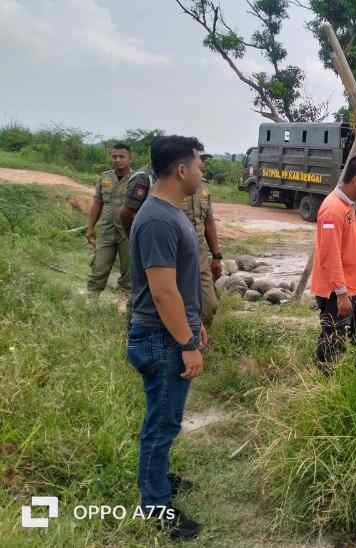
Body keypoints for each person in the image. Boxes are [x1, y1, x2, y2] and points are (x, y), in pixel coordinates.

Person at [126, 135, 207, 540]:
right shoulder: (158, 219)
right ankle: (155, 505)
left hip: (169, 333)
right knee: (162, 423)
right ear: (181, 169)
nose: (202, 172)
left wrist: (195, 323)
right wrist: (187, 344)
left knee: (164, 417)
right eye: (199, 164)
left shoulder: (169, 212)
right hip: (161, 339)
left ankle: (157, 479)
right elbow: (162, 292)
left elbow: (180, 284)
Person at [121, 153, 223, 326]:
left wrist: (216, 255)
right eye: (198, 162)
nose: (202, 165)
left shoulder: (203, 187)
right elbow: (127, 213)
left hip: (197, 254)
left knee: (207, 305)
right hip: (166, 250)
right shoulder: (158, 183)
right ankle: (139, 332)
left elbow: (209, 222)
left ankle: (195, 333)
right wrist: (138, 242)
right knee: (155, 300)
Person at [310, 155, 356, 368]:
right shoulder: (332, 210)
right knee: (332, 341)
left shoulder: (350, 204)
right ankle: (324, 379)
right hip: (338, 292)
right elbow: (329, 255)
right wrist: (340, 293)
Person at [85, 143, 132, 297]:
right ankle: (92, 298)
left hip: (128, 232)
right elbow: (97, 203)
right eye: (114, 157)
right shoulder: (105, 177)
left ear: (130, 159)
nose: (117, 160)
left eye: (121, 156)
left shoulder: (137, 179)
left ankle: (125, 300)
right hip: (106, 231)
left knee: (129, 269)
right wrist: (90, 227)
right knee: (99, 266)